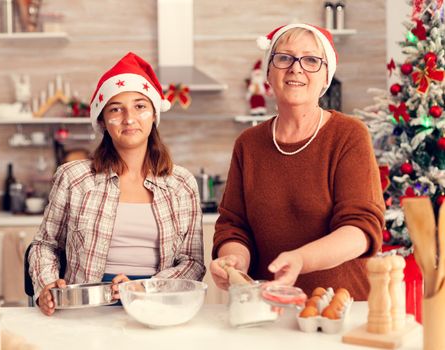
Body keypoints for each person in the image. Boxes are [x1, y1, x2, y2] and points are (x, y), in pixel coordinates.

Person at [210, 24, 385, 300]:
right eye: (284, 58)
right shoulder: (249, 143)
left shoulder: (348, 135)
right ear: (269, 72)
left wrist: (301, 259)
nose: (296, 68)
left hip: (339, 305)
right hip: (266, 305)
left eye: (311, 60)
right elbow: (234, 226)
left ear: (326, 75)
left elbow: (360, 230)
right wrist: (235, 261)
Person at [29, 52, 205, 315]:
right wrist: (46, 285)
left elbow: (193, 262)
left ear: (154, 114)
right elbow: (45, 245)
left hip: (156, 308)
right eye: (115, 109)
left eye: (140, 106)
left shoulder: (182, 184)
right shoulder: (74, 178)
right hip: (85, 310)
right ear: (102, 121)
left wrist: (147, 288)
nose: (128, 118)